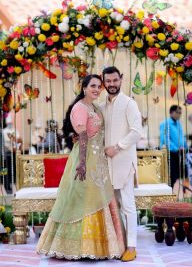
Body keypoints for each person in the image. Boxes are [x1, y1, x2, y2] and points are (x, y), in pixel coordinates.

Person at [37, 74, 125, 260]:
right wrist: (83, 163)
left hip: (98, 162)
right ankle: (78, 248)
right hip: (84, 161)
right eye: (92, 85)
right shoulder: (79, 107)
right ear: (84, 87)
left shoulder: (94, 107)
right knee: (82, 197)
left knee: (97, 197)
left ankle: (99, 247)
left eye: (98, 86)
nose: (96, 89)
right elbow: (83, 136)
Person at [100, 66, 143, 262]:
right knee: (113, 206)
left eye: (115, 80)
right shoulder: (102, 105)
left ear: (121, 79)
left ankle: (132, 247)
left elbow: (136, 132)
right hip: (107, 164)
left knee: (128, 205)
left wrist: (116, 147)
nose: (111, 84)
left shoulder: (129, 103)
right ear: (103, 82)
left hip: (124, 162)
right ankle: (119, 244)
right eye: (108, 81)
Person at [160, 105, 188, 188]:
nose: (179, 115)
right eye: (177, 112)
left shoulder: (178, 123)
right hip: (171, 153)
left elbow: (182, 137)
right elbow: (164, 139)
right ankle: (169, 194)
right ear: (171, 112)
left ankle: (181, 193)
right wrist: (175, 148)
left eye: (180, 113)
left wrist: (185, 147)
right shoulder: (165, 123)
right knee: (171, 176)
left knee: (182, 175)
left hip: (180, 152)